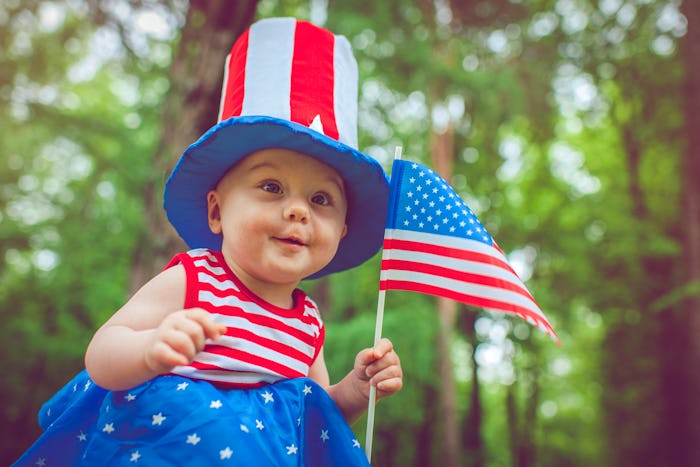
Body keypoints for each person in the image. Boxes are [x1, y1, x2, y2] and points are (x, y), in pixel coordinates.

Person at [15, 17, 402, 466]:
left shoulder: (307, 323)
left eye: (321, 199)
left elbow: (310, 419)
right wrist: (148, 349)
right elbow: (101, 354)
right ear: (217, 211)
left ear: (342, 231)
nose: (298, 210)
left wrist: (355, 392)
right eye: (272, 187)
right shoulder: (196, 280)